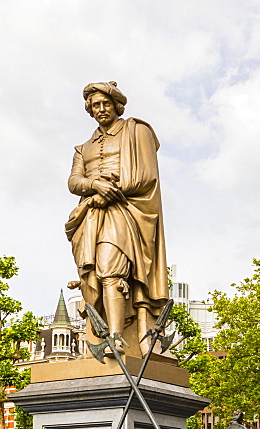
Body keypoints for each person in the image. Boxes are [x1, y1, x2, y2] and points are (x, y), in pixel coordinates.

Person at [66, 81, 169, 351]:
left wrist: (110, 192)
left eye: (106, 104)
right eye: (95, 105)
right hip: (89, 217)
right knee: (94, 276)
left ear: (116, 105)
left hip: (125, 212)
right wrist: (95, 186)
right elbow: (74, 181)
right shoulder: (83, 148)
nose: (100, 109)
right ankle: (102, 335)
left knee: (111, 270)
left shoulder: (137, 131)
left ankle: (116, 337)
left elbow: (146, 176)